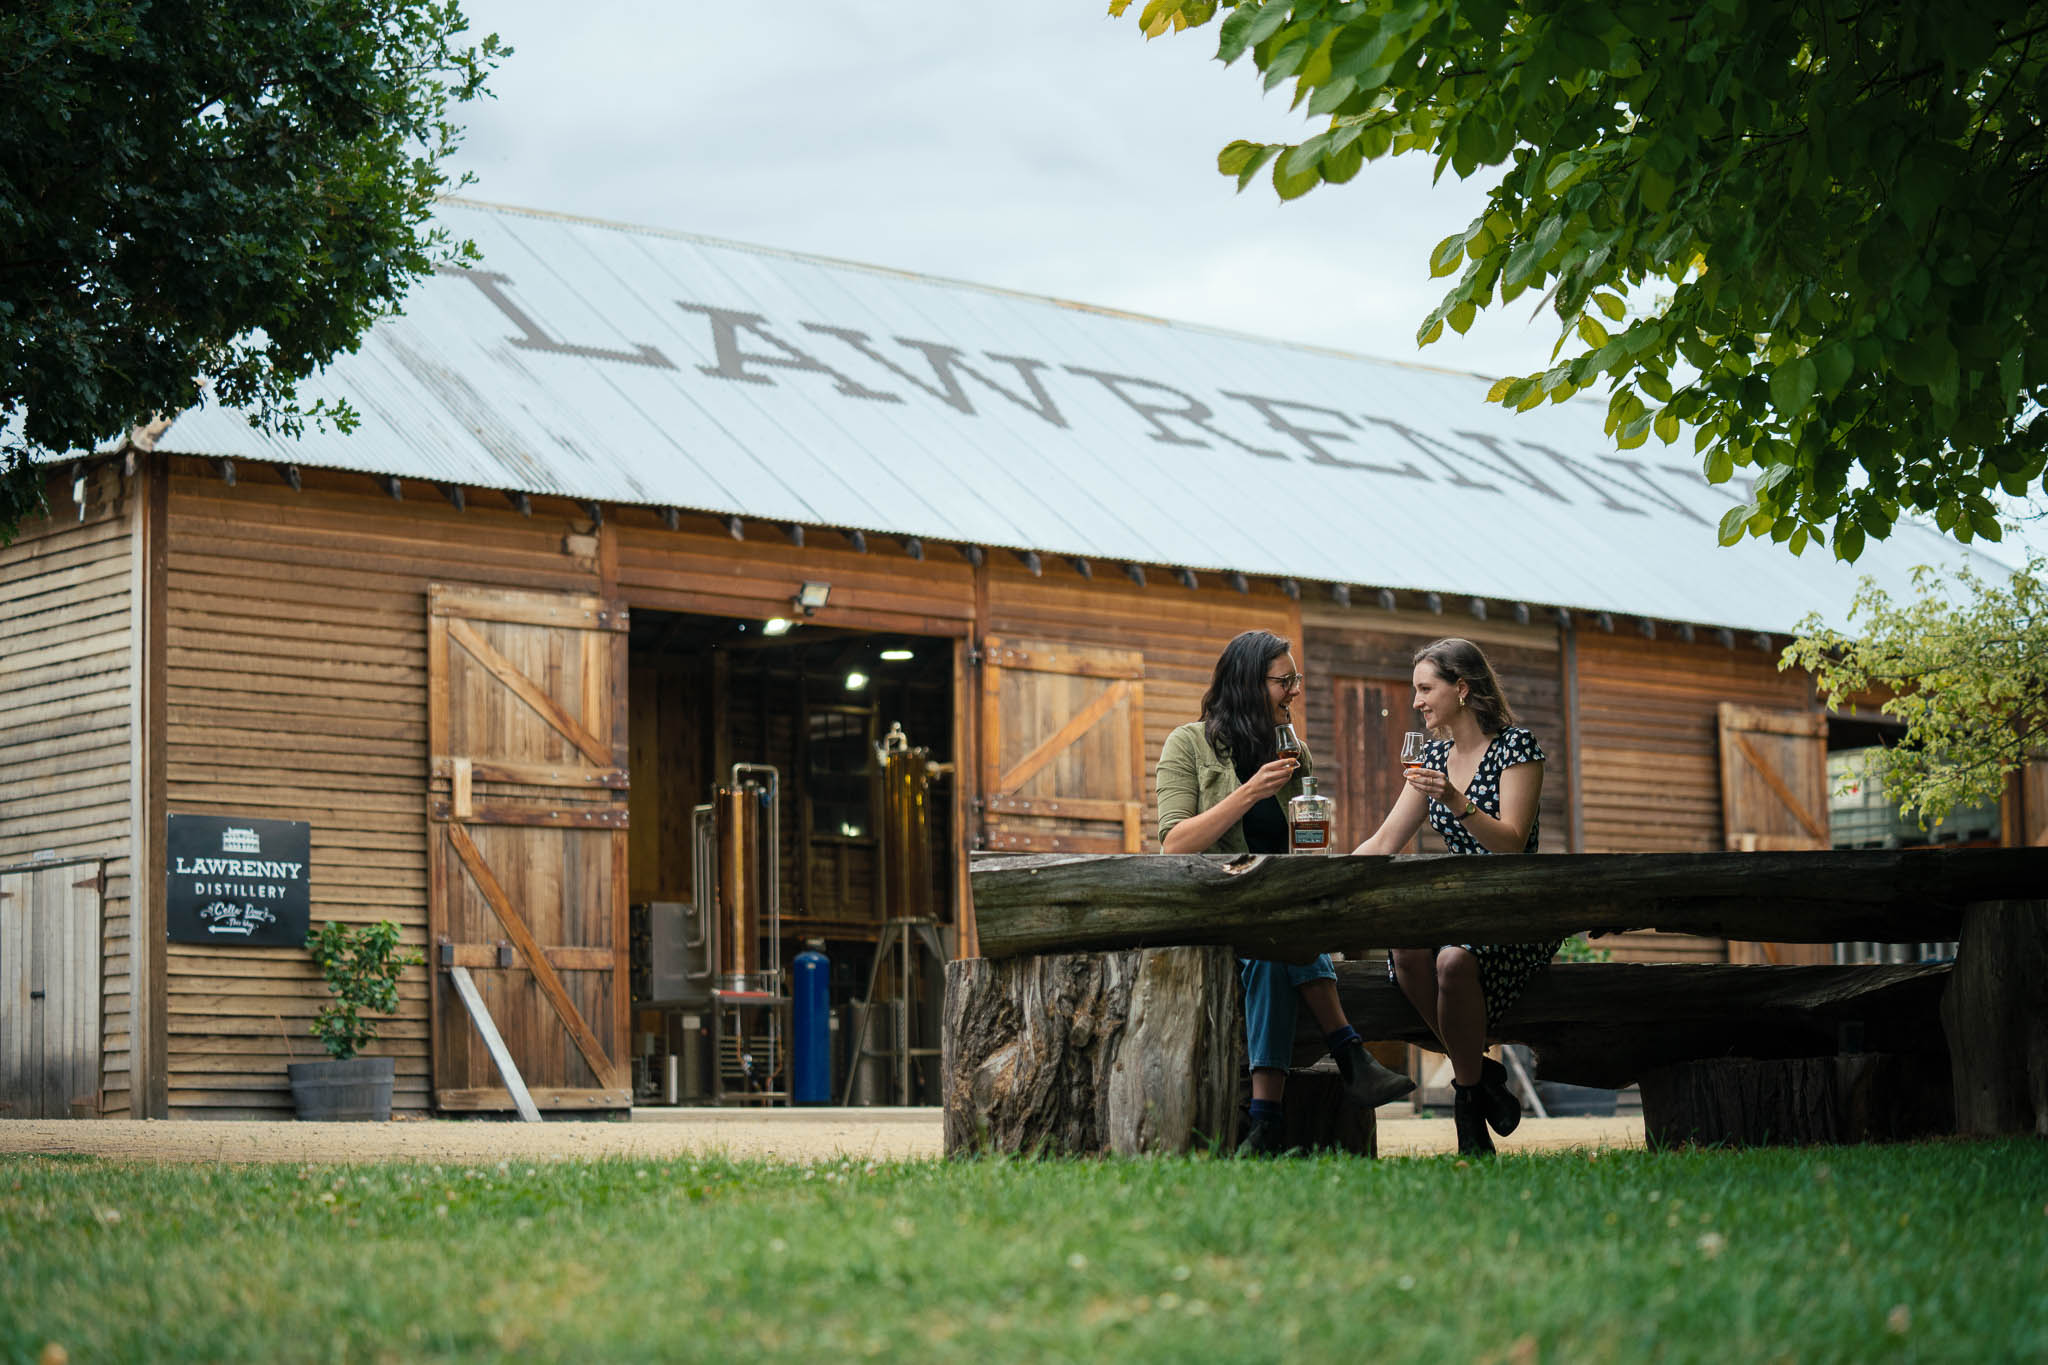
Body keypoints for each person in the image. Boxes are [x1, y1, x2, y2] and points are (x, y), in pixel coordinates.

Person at [1158, 629, 1417, 1157]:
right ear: (1249, 685)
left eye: (1295, 679)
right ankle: (1350, 1054)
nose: (1295, 691)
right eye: (1285, 681)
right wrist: (1250, 790)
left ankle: (1267, 1123)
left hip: (1277, 918)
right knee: (1275, 944)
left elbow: (1303, 846)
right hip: (1215, 908)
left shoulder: (1294, 752)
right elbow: (1174, 844)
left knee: (1274, 952)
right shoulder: (1188, 744)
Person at [1352, 637, 1557, 1155]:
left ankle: (1468, 1108)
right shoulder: (1434, 757)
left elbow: (1511, 844)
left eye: (1426, 688)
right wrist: (1329, 875)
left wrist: (1456, 800)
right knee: (1407, 948)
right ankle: (1481, 1073)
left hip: (1514, 911)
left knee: (1454, 963)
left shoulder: (1517, 747)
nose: (1417, 700)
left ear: (1462, 689)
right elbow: (1383, 842)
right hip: (1458, 908)